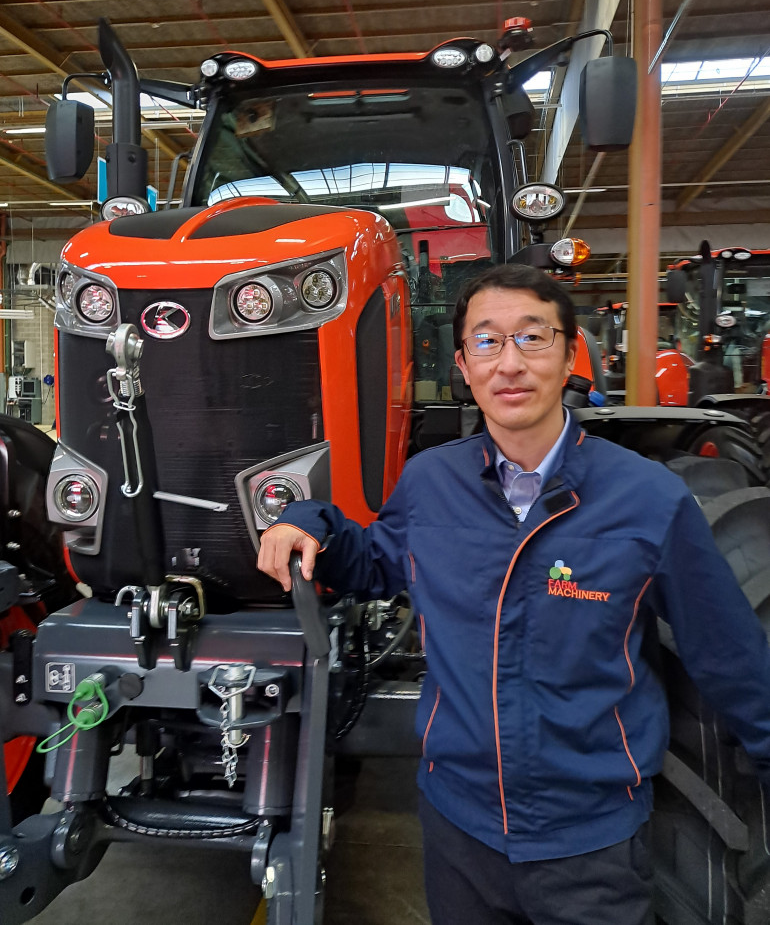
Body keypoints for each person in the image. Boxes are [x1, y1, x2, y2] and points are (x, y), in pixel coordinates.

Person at [258, 264, 770, 925]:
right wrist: (310, 521)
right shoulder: (431, 482)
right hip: (458, 831)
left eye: (532, 339)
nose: (510, 363)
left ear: (567, 358)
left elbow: (726, 652)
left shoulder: (647, 498)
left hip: (591, 844)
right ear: (464, 367)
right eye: (486, 342)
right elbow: (377, 563)